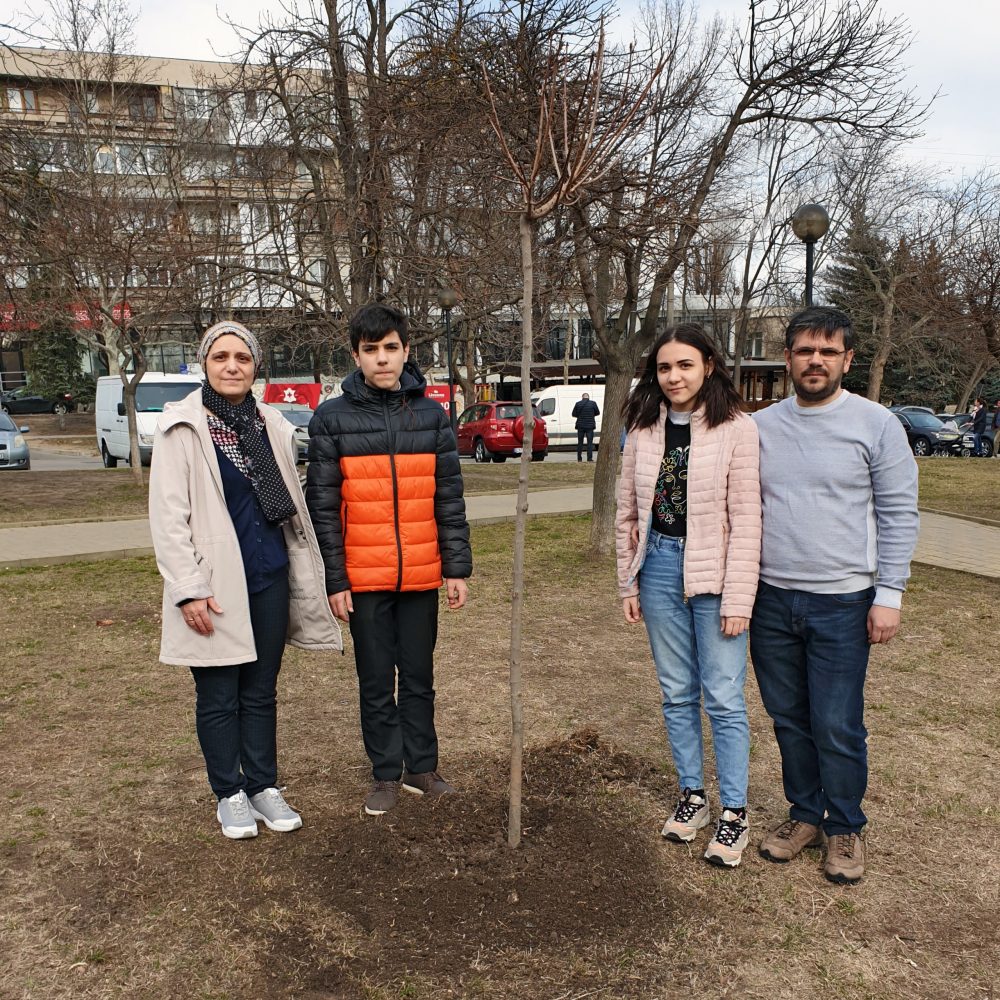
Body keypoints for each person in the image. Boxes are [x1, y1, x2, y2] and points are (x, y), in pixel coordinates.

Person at [149, 320, 342, 840]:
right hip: (213, 585)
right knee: (218, 695)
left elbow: (290, 508)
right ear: (205, 364)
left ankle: (262, 787)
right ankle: (228, 794)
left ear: (256, 366)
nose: (232, 366)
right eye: (221, 357)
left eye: (242, 357)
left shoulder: (270, 425)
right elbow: (169, 520)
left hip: (270, 576)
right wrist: (187, 588)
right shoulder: (181, 427)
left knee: (260, 691)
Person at [751, 306, 919, 885]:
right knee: (788, 718)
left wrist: (889, 593)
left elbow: (899, 512)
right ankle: (804, 815)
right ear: (789, 358)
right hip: (770, 600)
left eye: (827, 352)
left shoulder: (877, 424)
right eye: (804, 350)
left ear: (847, 359)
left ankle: (844, 826)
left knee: (837, 721)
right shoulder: (762, 426)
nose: (814, 361)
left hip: (845, 601)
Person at [306, 303, 473, 817]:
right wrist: (336, 578)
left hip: (422, 574)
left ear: (406, 350)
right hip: (364, 578)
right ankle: (385, 772)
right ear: (356, 354)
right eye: (371, 349)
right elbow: (324, 507)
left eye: (392, 348)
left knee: (419, 677)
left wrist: (455, 567)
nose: (383, 358)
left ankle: (422, 767)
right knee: (377, 679)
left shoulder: (429, 415)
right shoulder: (331, 419)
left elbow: (449, 495)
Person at [616, 324, 761, 868]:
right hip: (656, 567)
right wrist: (628, 581)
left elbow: (748, 520)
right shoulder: (643, 425)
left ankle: (735, 814)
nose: (674, 377)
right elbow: (626, 512)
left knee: (723, 696)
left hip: (716, 574)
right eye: (664, 367)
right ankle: (693, 796)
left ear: (708, 366)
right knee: (677, 692)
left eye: (685, 365)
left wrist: (739, 598)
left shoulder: (736, 429)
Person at [572, 392, 600, 462]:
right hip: (590, 426)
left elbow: (573, 414)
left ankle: (579, 458)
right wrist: (591, 414)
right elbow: (598, 412)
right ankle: (589, 458)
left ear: (582, 397)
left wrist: (580, 415)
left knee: (580, 442)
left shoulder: (578, 404)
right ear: (588, 397)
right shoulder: (593, 403)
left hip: (580, 426)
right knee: (590, 443)